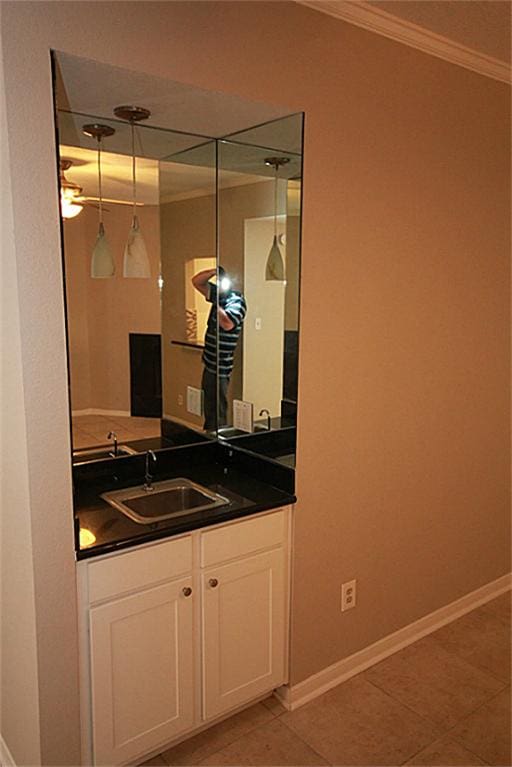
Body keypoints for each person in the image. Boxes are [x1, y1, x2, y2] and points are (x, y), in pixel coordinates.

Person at [192, 266, 247, 431]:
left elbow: (227, 323)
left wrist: (217, 304)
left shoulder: (237, 302)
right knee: (209, 405)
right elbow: (196, 282)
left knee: (218, 408)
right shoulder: (218, 295)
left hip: (221, 366)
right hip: (209, 362)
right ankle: (209, 433)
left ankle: (219, 437)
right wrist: (213, 272)